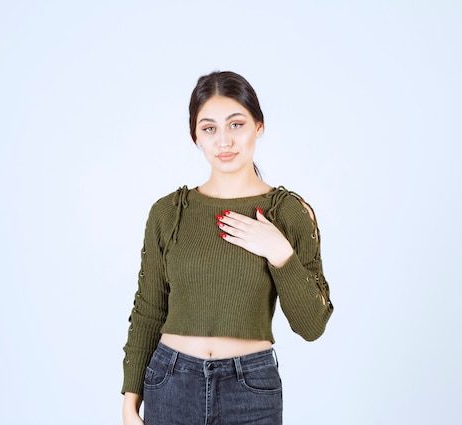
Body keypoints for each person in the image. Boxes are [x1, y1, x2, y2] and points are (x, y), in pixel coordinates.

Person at [121, 71, 334, 425]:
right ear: (196, 137)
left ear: (258, 127)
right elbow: (148, 310)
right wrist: (130, 404)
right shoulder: (169, 213)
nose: (224, 141)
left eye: (236, 125)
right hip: (170, 383)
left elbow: (311, 325)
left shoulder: (288, 212)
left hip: (250, 388)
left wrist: (280, 252)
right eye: (209, 128)